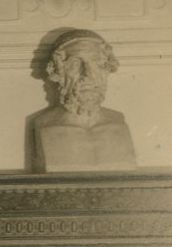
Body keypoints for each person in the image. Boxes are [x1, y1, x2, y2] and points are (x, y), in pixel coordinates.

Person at [27, 28, 138, 173]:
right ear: (58, 72)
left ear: (106, 70)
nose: (87, 74)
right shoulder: (43, 125)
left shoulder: (119, 122)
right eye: (75, 63)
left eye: (96, 63)